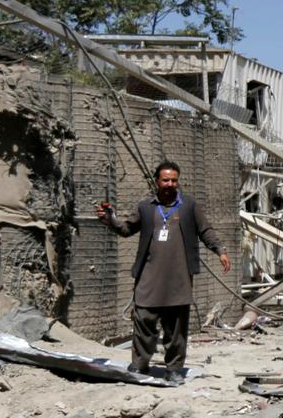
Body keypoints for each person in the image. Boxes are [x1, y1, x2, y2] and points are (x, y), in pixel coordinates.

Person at [97, 161, 230, 383]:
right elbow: (126, 229)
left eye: (174, 180)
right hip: (149, 276)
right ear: (157, 181)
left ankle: (174, 369)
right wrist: (109, 220)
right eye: (166, 180)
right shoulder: (146, 207)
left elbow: (205, 230)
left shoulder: (189, 206)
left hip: (179, 278)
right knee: (143, 321)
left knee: (176, 327)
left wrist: (220, 250)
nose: (170, 184)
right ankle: (140, 364)